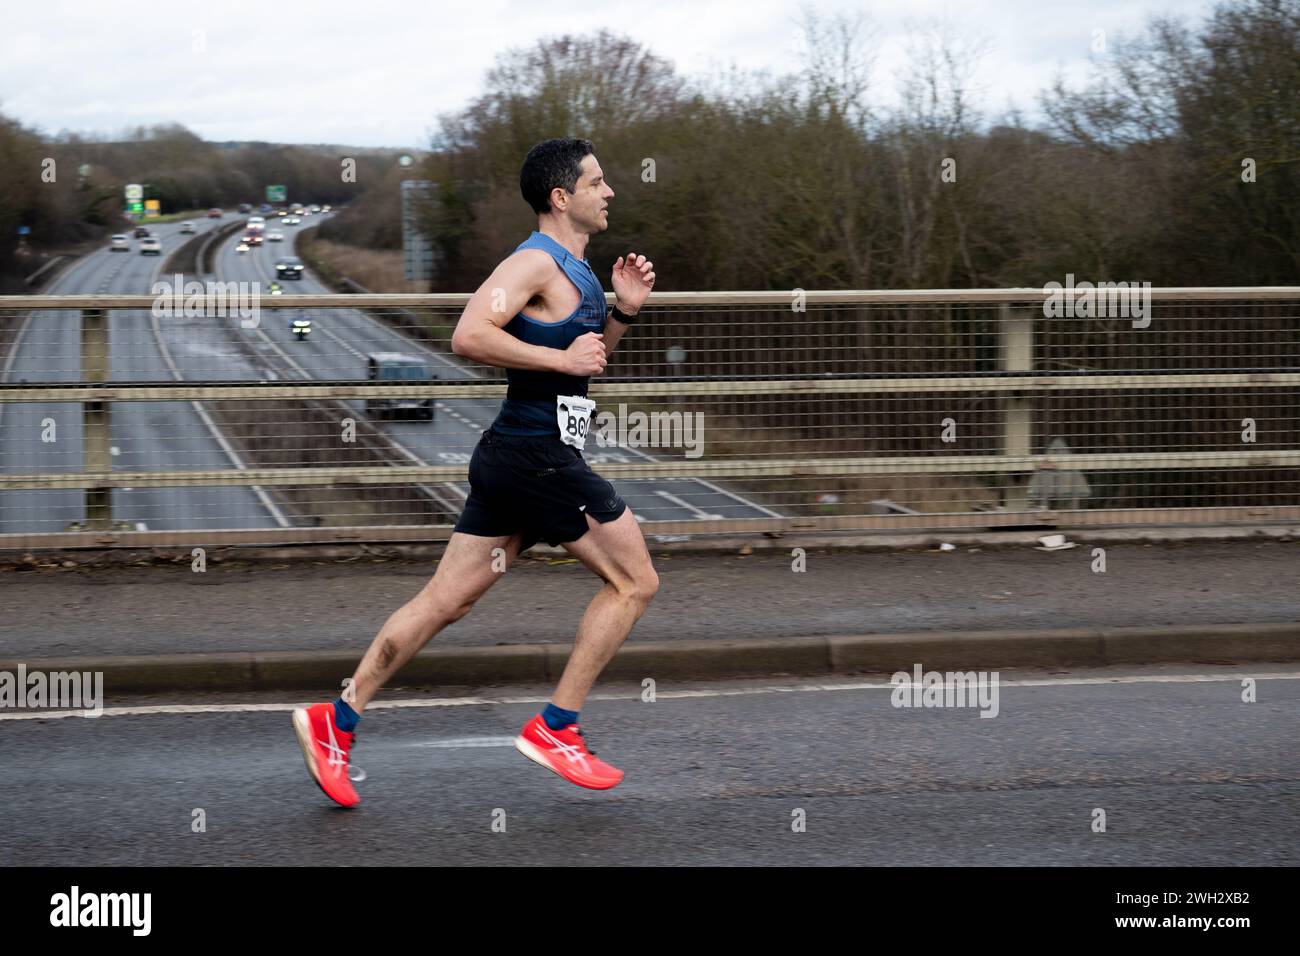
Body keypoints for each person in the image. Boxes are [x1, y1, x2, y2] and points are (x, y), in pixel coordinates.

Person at [293, 138, 658, 807]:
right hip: (536, 457)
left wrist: (623, 311)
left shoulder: (578, 271)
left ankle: (335, 721)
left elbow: (587, 363)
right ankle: (557, 728)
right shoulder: (533, 262)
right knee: (635, 581)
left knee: (447, 601)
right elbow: (469, 334)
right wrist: (562, 362)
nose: (609, 192)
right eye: (597, 182)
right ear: (561, 197)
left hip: (521, 458)